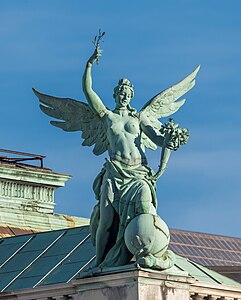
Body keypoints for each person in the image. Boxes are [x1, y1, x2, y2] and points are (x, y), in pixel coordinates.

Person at [83, 48, 168, 268]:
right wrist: (89, 65)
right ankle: (100, 262)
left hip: (138, 174)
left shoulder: (139, 118)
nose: (124, 95)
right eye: (121, 92)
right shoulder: (107, 116)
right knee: (107, 222)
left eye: (128, 93)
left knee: (146, 209)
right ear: (115, 95)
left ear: (131, 96)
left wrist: (168, 139)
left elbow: (157, 140)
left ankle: (149, 250)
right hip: (114, 173)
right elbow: (88, 91)